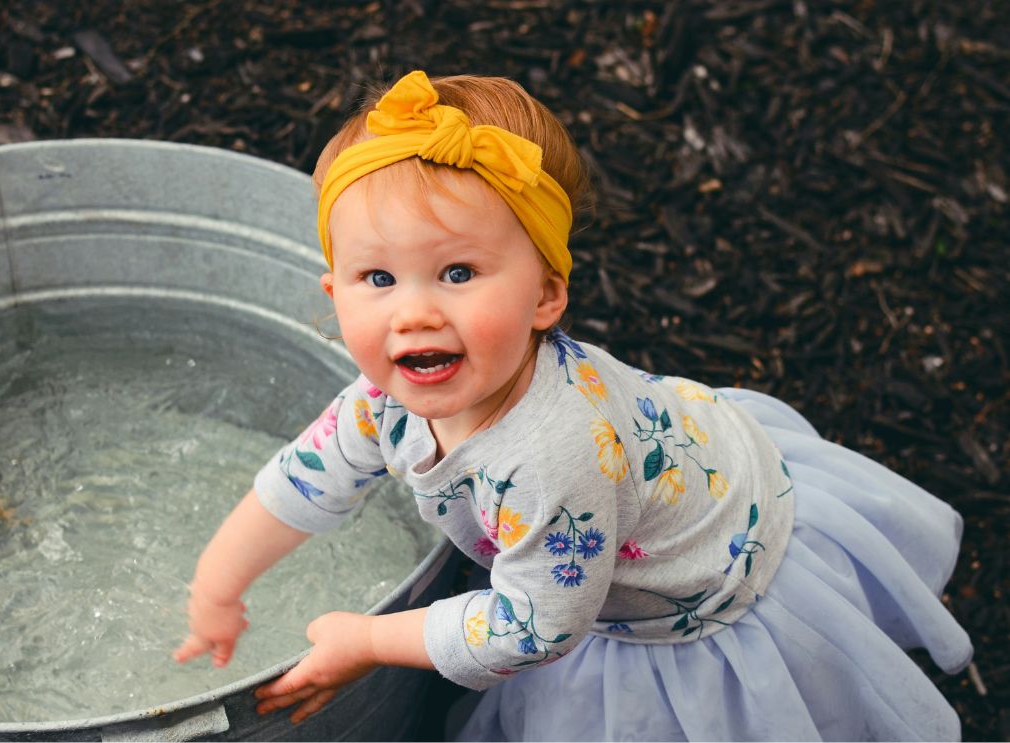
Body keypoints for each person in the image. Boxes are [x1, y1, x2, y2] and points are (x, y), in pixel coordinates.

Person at [173, 70, 972, 741]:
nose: (411, 313)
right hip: (665, 469)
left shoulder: (553, 457)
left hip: (694, 578)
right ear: (332, 292)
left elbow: (535, 629)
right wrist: (218, 581)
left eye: (457, 273)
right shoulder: (383, 397)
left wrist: (370, 638)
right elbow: (303, 478)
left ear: (545, 294)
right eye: (376, 279)